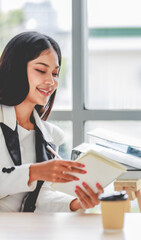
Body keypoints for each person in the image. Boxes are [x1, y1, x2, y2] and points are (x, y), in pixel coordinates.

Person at [0, 31, 103, 212]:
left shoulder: (49, 135)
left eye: (55, 73)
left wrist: (74, 204)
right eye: (41, 70)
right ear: (15, 69)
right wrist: (34, 172)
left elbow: (38, 197)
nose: (51, 81)